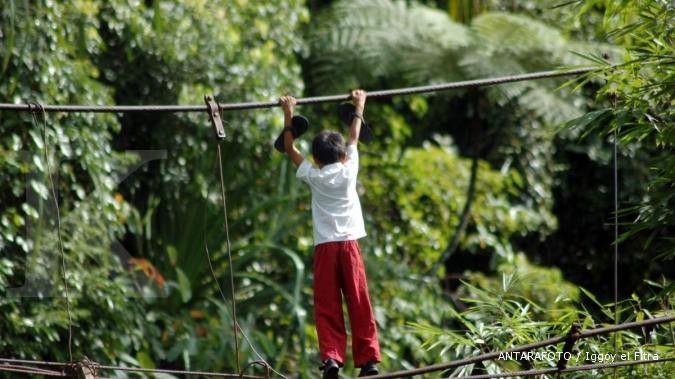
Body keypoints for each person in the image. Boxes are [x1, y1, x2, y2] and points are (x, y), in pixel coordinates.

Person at [280, 90, 381, 378]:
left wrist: (289, 112)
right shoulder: (349, 170)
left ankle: (332, 360)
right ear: (341, 155)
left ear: (316, 158)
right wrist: (359, 105)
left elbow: (289, 148)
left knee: (327, 306)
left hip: (325, 248)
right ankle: (368, 362)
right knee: (359, 301)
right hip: (349, 246)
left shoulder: (314, 175)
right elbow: (354, 135)